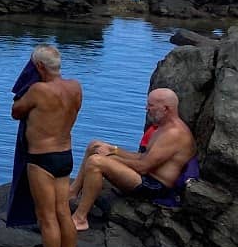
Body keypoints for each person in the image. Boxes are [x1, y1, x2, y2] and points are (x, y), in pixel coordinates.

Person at [71, 88, 197, 231]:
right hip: (146, 175)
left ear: (166, 108)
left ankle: (80, 219)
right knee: (95, 146)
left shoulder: (174, 134)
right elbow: (143, 157)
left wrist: (109, 158)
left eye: (151, 105)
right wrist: (114, 150)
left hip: (154, 186)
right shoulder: (162, 128)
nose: (146, 108)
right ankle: (72, 192)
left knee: (96, 162)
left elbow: (143, 167)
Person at [11, 44, 82, 247]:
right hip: (65, 155)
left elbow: (16, 111)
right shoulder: (75, 87)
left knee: (47, 217)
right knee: (63, 211)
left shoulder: (38, 90)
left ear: (39, 67)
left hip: (41, 159)